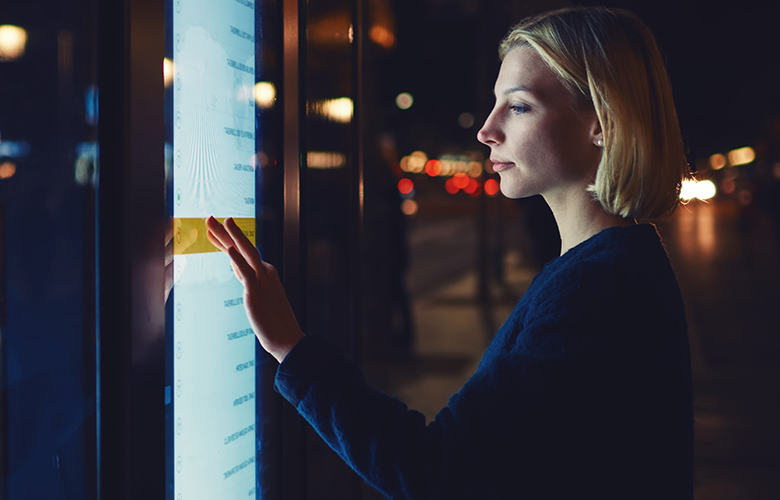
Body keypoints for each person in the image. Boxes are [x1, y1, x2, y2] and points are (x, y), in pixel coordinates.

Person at [206, 6, 694, 499]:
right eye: (495, 103)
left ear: (603, 124)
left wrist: (291, 346)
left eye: (518, 106)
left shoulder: (597, 288)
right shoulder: (613, 266)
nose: (486, 130)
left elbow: (440, 472)